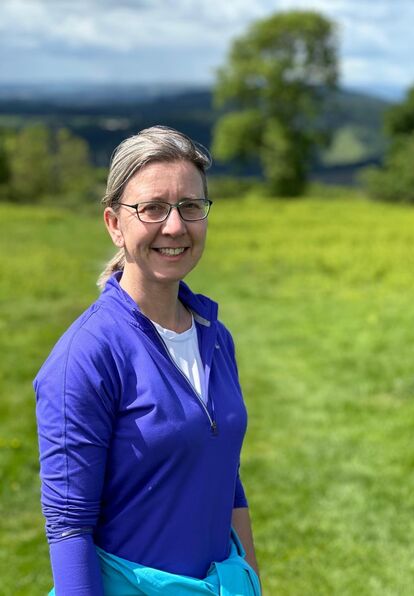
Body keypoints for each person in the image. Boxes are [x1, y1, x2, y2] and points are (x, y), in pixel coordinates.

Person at [34, 125, 261, 595]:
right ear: (115, 224)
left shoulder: (214, 336)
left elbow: (225, 477)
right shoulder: (87, 356)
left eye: (191, 207)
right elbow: (69, 527)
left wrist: (253, 582)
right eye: (152, 208)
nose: (174, 226)